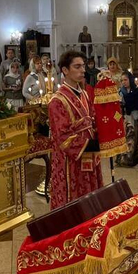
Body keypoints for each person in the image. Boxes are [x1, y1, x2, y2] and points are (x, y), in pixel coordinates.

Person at [48, 50, 103, 209]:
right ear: (65, 70)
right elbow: (63, 139)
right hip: (70, 162)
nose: (83, 70)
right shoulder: (57, 101)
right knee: (74, 204)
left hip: (89, 156)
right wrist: (93, 145)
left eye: (83, 66)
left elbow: (93, 121)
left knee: (91, 198)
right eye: (77, 66)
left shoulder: (84, 94)